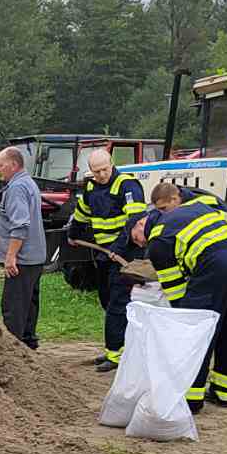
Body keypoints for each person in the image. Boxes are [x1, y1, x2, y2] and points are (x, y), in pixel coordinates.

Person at [145, 180, 227, 412]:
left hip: (215, 263)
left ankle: (191, 399)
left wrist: (183, 321)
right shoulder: (202, 206)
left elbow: (176, 292)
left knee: (196, 332)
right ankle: (224, 393)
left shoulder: (159, 241)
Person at [71, 148, 148, 372]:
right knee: (106, 299)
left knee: (117, 303)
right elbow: (82, 213)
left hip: (125, 254)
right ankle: (120, 348)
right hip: (104, 254)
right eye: (96, 172)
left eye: (104, 169)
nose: (101, 175)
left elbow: (135, 220)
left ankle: (115, 354)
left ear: (112, 164)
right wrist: (73, 233)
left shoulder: (128, 185)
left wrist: (118, 248)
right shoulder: (91, 188)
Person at [0, 146, 46, 350]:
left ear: (13, 165)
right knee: (29, 305)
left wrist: (10, 256)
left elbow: (21, 225)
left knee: (14, 308)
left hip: (21, 260)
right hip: (34, 258)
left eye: (0, 165)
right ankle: (29, 346)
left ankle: (13, 352)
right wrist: (2, 217)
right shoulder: (27, 182)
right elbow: (23, 214)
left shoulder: (16, 188)